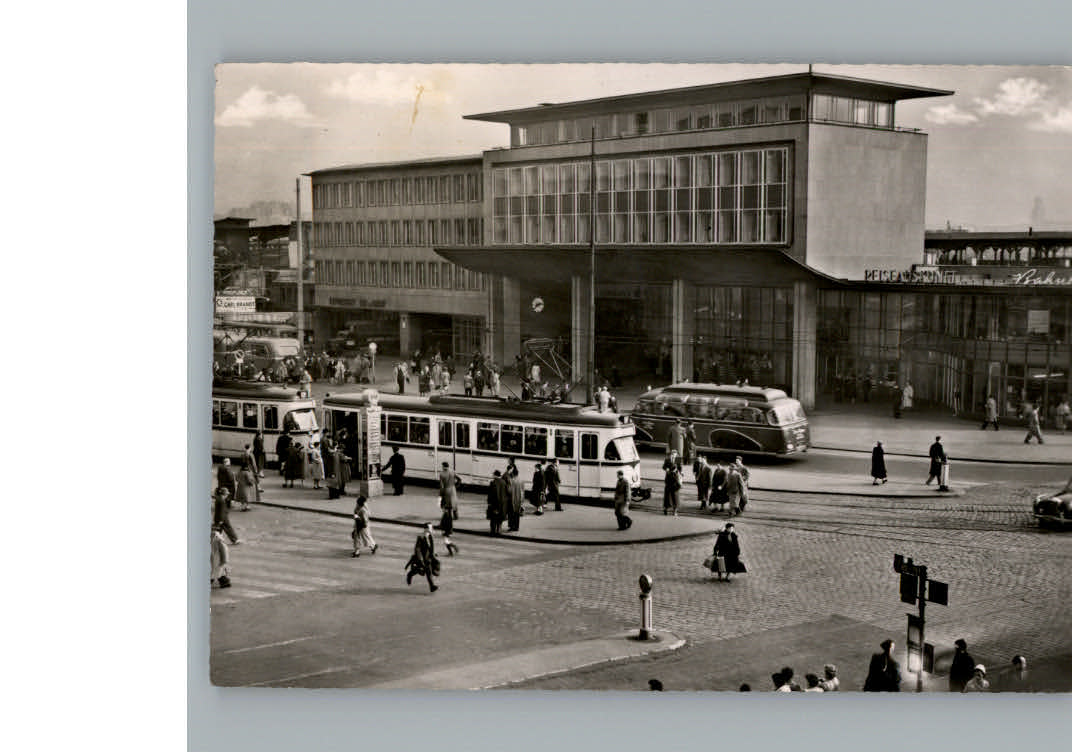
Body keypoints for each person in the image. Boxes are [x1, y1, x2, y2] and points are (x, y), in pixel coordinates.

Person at [405, 523, 440, 592]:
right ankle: (410, 575)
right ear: (426, 529)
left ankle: (431, 586)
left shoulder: (430, 536)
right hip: (423, 558)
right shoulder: (420, 537)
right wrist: (420, 558)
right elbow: (417, 548)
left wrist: (434, 553)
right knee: (425, 571)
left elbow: (431, 546)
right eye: (431, 527)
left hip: (429, 557)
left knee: (428, 571)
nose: (432, 529)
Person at [486, 470, 509, 535]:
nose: (492, 475)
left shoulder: (493, 482)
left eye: (493, 474)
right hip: (502, 504)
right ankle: (499, 530)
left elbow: (491, 494)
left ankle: (493, 531)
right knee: (500, 518)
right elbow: (506, 493)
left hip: (494, 503)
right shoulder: (504, 482)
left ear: (495, 475)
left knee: (493, 519)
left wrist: (489, 502)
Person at [210, 523, 232, 589]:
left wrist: (224, 560)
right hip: (213, 559)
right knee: (218, 572)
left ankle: (225, 582)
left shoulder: (218, 539)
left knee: (216, 572)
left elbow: (224, 550)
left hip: (217, 560)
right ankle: (225, 582)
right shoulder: (212, 537)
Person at [506, 466, 525, 532]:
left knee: (511, 514)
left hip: (512, 500)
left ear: (513, 474)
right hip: (519, 499)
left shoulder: (511, 481)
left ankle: (511, 526)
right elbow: (523, 490)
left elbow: (509, 491)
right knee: (517, 514)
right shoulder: (521, 480)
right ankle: (516, 527)